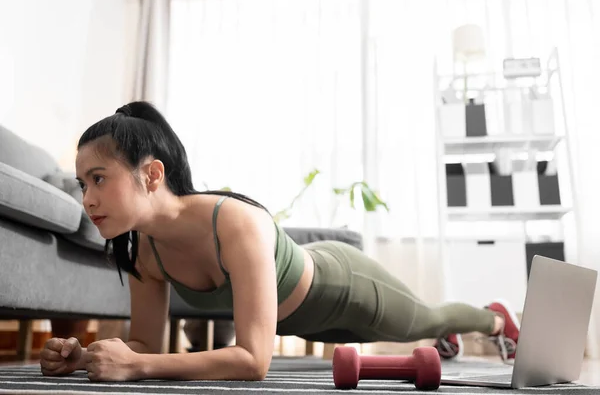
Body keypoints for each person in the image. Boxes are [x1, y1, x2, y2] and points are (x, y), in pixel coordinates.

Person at [39, 101, 520, 382]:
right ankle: (456, 332)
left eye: (98, 179)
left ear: (151, 174)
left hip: (347, 288)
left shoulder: (233, 221)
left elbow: (253, 361)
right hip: (306, 324)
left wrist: (139, 367)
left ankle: (496, 320)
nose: (88, 198)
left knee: (425, 319)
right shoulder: (145, 248)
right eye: (83, 184)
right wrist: (86, 355)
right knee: (413, 329)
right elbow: (144, 342)